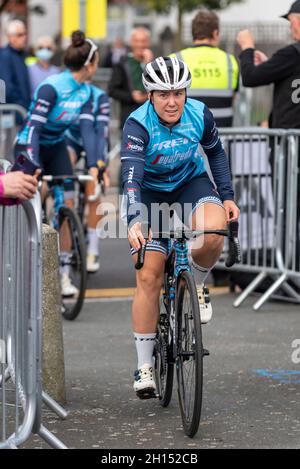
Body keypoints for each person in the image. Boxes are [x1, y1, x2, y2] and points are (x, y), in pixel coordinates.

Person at [121, 57, 240, 398]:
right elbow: (131, 177)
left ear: (186, 92)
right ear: (150, 95)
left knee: (215, 230)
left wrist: (227, 196)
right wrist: (134, 219)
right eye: (163, 94)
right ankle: (145, 366)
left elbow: (215, 154)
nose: (171, 101)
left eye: (178, 93)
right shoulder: (137, 124)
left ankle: (197, 284)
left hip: (191, 183)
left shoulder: (199, 114)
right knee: (148, 274)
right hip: (149, 192)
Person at [15, 30, 102, 296]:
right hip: (31, 144)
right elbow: (34, 128)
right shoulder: (52, 86)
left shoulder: (87, 92)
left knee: (67, 204)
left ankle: (63, 274)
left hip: (55, 147)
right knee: (31, 198)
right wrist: (31, 161)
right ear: (89, 64)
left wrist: (94, 167)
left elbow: (87, 131)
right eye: (97, 61)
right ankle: (21, 259)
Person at [237, 0, 300, 270]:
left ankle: (290, 269)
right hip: (291, 143)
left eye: (292, 20)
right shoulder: (289, 57)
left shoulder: (293, 53)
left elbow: (250, 77)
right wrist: (270, 63)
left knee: (288, 209)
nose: (290, 26)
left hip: (290, 147)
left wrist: (247, 48)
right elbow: (280, 73)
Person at [65, 83, 110, 273]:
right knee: (66, 169)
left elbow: (101, 131)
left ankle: (92, 249)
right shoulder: (65, 91)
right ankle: (64, 212)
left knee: (94, 187)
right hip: (70, 139)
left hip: (95, 141)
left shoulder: (99, 95)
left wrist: (99, 165)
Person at [171, 9, 239, 127]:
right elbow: (234, 97)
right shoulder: (230, 60)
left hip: (186, 136)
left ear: (193, 33)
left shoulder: (175, 59)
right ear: (215, 33)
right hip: (222, 136)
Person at [108, 27, 153, 129]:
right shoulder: (122, 63)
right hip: (129, 118)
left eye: (143, 41)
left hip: (152, 119)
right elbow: (112, 90)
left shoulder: (157, 64)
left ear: (148, 43)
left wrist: (148, 65)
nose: (140, 44)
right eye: (137, 41)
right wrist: (131, 96)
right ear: (131, 42)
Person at [0, 20, 31, 112]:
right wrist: (21, 105)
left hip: (23, 110)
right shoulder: (5, 56)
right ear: (11, 37)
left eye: (25, 34)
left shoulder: (23, 54)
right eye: (20, 35)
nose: (24, 37)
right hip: (14, 112)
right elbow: (6, 87)